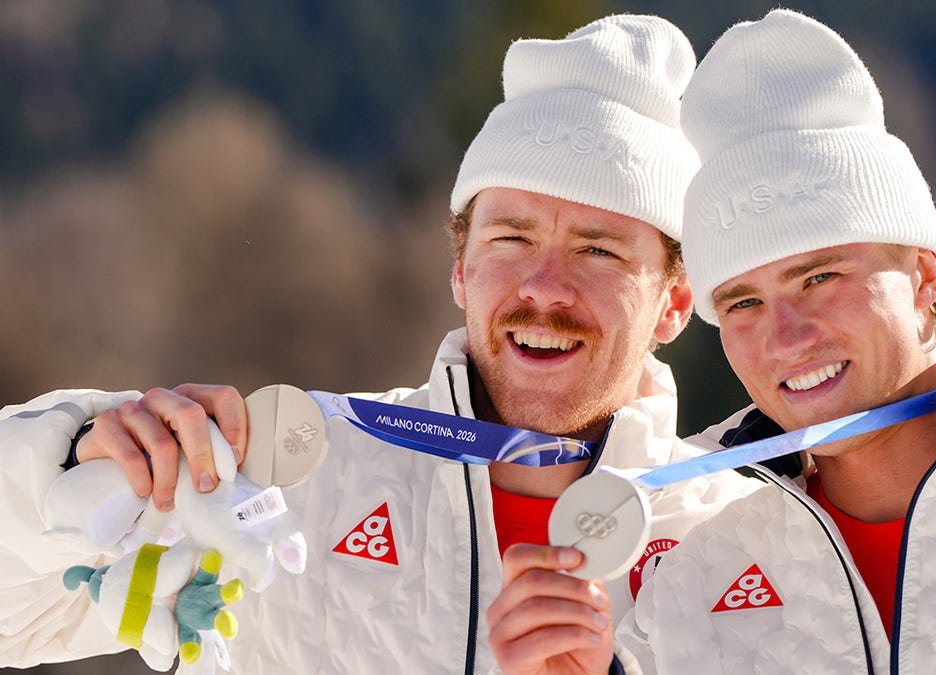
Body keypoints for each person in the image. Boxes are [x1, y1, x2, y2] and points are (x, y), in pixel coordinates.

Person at [0, 15, 764, 673]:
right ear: (461, 270)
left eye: (599, 251)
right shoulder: (291, 480)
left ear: (676, 302)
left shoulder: (749, 540)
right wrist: (65, 473)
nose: (546, 286)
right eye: (510, 238)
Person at [488, 9, 936, 675]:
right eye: (743, 301)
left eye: (819, 277)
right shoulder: (680, 565)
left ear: (924, 274)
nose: (786, 336)